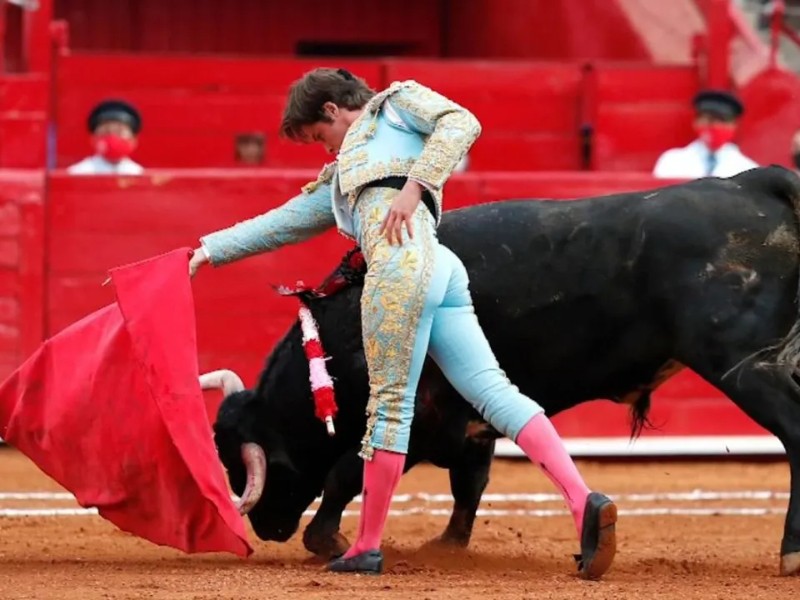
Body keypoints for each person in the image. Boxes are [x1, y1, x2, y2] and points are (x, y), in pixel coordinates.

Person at [188, 68, 617, 579]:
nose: (324, 150)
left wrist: (416, 187)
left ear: (330, 109)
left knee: (390, 407)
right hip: (439, 267)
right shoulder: (343, 172)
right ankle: (582, 501)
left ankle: (366, 546)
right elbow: (283, 222)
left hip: (398, 269)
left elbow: (462, 122)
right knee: (496, 394)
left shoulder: (395, 103)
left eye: (319, 136)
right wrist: (207, 251)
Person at [652, 89, 758, 179]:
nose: (716, 126)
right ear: (696, 122)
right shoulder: (671, 162)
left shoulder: (748, 169)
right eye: (710, 120)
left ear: (734, 126)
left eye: (722, 120)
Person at [67, 99, 144, 175]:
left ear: (133, 140)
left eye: (119, 132)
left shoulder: (139, 175)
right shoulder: (77, 174)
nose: (113, 137)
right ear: (93, 139)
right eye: (106, 132)